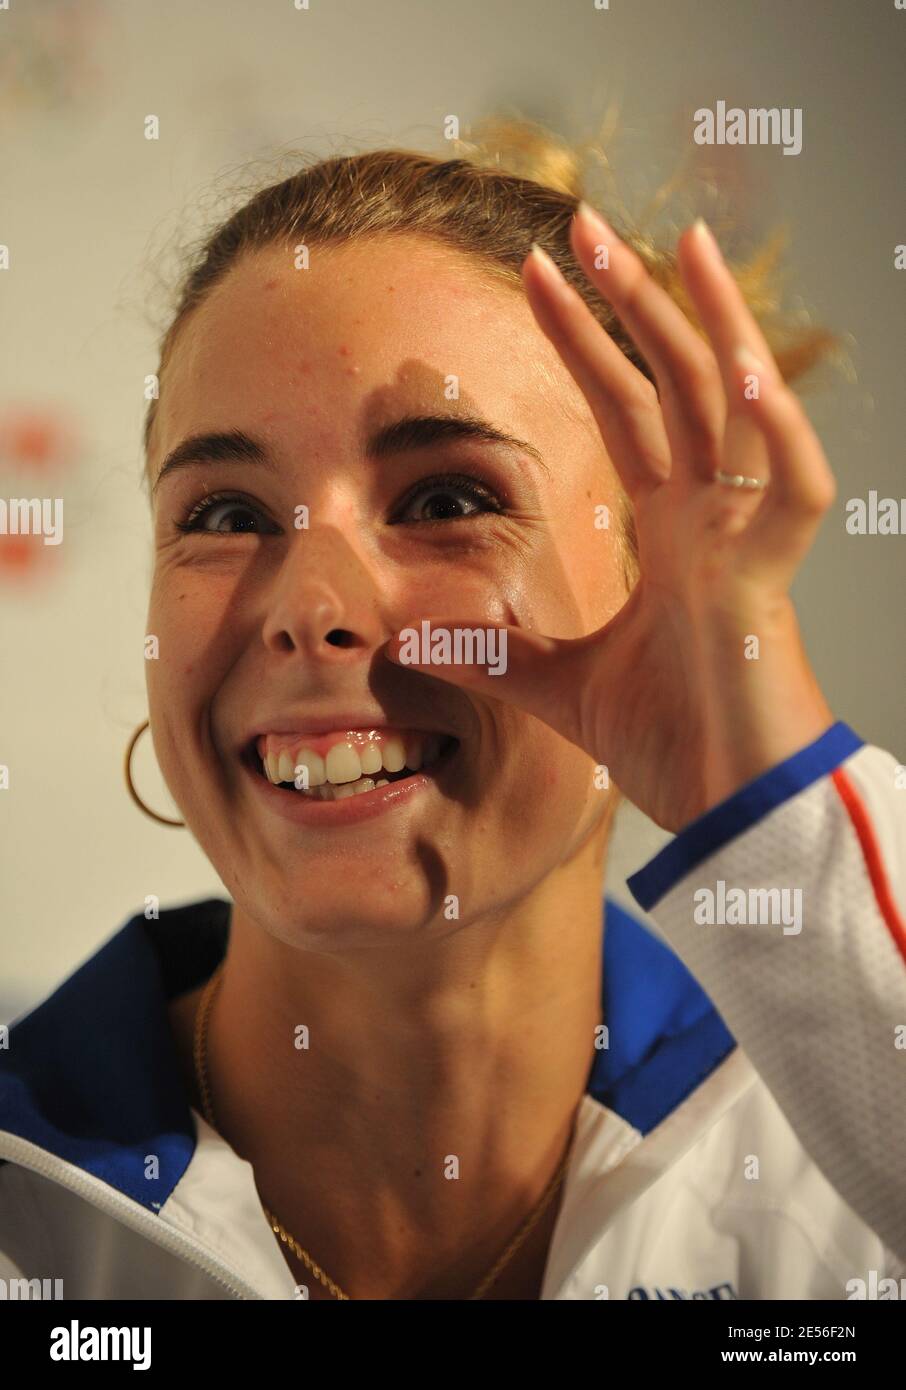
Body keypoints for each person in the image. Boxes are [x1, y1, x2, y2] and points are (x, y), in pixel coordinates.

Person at [1, 122, 904, 1302]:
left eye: (445, 496)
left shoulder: (839, 1191)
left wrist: (775, 799)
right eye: (224, 514)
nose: (308, 605)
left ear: (655, 584)